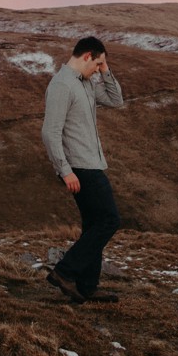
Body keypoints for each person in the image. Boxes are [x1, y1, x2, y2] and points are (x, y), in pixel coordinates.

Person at [41, 35, 126, 303]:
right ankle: (64, 272)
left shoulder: (85, 82)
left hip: (92, 163)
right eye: (97, 63)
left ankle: (87, 286)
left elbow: (116, 100)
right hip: (80, 167)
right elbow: (50, 132)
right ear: (87, 56)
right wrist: (64, 170)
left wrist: (105, 70)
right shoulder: (62, 85)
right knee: (109, 220)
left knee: (93, 225)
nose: (97, 70)